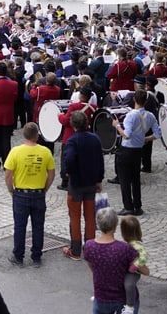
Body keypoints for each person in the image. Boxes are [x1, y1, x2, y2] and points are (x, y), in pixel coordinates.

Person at [3, 122, 55, 267]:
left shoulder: (15, 151)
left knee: (20, 226)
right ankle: (36, 256)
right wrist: (45, 188)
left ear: (24, 135)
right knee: (38, 226)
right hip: (38, 194)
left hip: (20, 194)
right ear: (37, 135)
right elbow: (51, 174)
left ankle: (18, 256)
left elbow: (8, 175)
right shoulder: (45, 152)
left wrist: (11, 190)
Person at [111, 90, 161, 216]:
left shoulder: (130, 115)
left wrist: (117, 126)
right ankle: (138, 206)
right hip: (138, 150)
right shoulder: (150, 116)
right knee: (135, 179)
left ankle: (128, 206)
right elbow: (158, 134)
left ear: (134, 100)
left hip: (126, 150)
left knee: (124, 180)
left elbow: (126, 135)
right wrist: (146, 139)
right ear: (146, 101)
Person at [62, 110, 104, 260]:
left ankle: (75, 250)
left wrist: (69, 172)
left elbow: (70, 159)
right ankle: (90, 248)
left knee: (74, 216)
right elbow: (100, 160)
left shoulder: (73, 140)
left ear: (73, 124)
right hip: (91, 182)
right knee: (90, 217)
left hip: (76, 184)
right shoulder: (95, 139)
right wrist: (99, 179)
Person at [84, 208, 139, 314]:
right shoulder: (125, 248)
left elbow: (92, 267)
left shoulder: (89, 246)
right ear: (115, 225)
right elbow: (137, 268)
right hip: (123, 298)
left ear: (98, 224)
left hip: (101, 296)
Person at [120, 215, 150, 314]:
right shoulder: (125, 245)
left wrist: (134, 266)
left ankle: (130, 306)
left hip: (133, 272)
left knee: (129, 285)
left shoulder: (138, 246)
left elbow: (143, 257)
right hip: (125, 269)